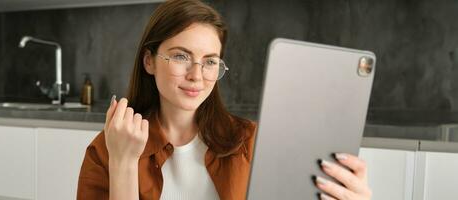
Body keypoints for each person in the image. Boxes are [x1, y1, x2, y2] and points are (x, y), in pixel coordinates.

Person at [77, 0, 372, 199]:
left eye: (210, 61)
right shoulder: (108, 149)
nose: (197, 75)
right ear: (149, 61)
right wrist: (124, 162)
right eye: (181, 56)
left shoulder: (251, 142)